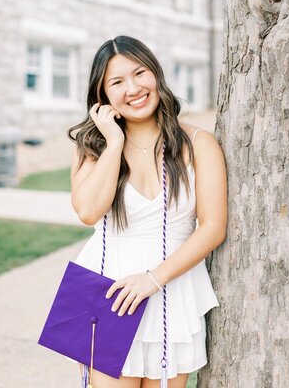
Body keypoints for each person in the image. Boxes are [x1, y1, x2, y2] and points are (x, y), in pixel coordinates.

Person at [68, 35, 228, 388]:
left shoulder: (199, 144)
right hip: (109, 292)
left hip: (172, 287)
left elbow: (213, 227)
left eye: (140, 73)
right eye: (117, 82)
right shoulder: (92, 147)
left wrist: (152, 279)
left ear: (155, 74)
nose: (133, 88)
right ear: (103, 96)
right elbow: (89, 212)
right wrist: (113, 143)